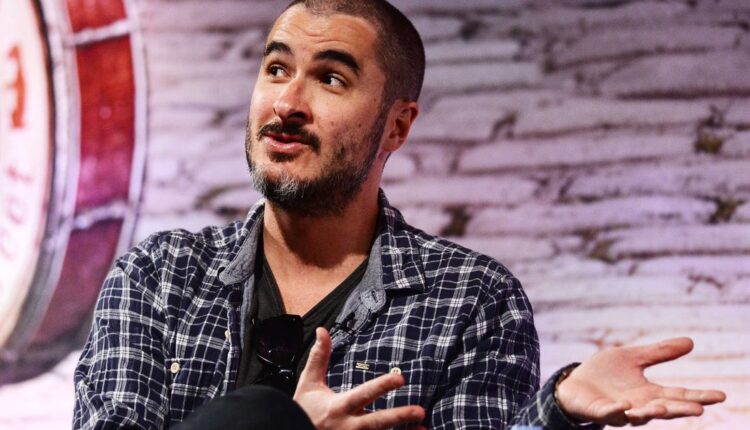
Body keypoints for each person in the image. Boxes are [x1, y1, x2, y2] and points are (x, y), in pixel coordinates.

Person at [73, 1, 726, 429]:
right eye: (276, 69)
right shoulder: (158, 277)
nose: (287, 103)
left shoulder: (471, 300)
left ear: (397, 125)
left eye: (330, 78)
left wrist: (555, 412)